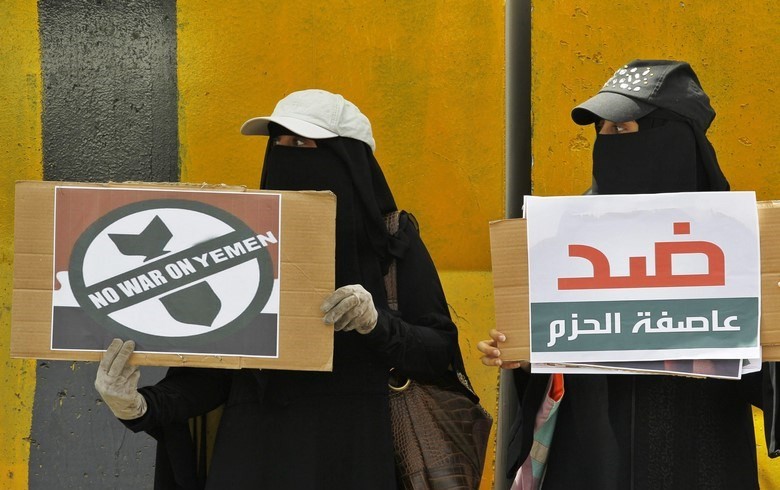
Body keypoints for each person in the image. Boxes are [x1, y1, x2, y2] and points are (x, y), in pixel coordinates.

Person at [95, 89, 465, 489]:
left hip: (357, 455)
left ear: (350, 160)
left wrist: (376, 322)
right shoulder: (242, 245)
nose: (288, 155)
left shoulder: (392, 242)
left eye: (303, 143)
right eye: (280, 142)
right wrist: (137, 405)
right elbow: (214, 374)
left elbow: (437, 352)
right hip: (254, 455)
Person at [478, 60, 779, 489]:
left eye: (621, 129)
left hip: (697, 457)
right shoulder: (567, 235)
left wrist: (768, 327)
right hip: (591, 460)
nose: (605, 141)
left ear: (671, 138)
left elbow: (758, 384)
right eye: (599, 130)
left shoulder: (737, 240)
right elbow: (556, 359)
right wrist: (525, 352)